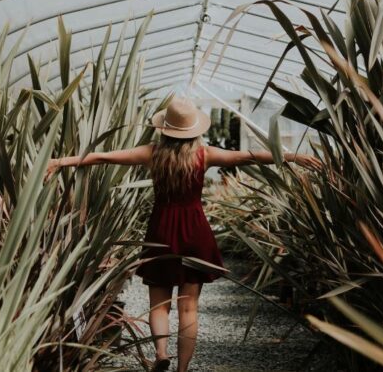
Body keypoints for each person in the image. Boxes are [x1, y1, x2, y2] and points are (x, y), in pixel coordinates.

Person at [44, 96, 321, 372]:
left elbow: (103, 157)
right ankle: (182, 370)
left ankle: (161, 353)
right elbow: (247, 156)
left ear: (166, 127)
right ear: (194, 129)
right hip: (195, 232)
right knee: (189, 309)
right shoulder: (205, 155)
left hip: (161, 231)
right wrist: (293, 157)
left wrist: (60, 162)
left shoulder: (152, 153)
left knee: (160, 304)